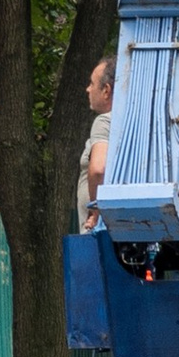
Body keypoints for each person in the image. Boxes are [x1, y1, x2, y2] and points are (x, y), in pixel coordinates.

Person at [77, 53, 114, 230]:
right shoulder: (136, 125)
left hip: (99, 234)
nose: (88, 89)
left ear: (106, 90)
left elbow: (99, 169)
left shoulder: (105, 121)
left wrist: (96, 212)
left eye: (92, 84)